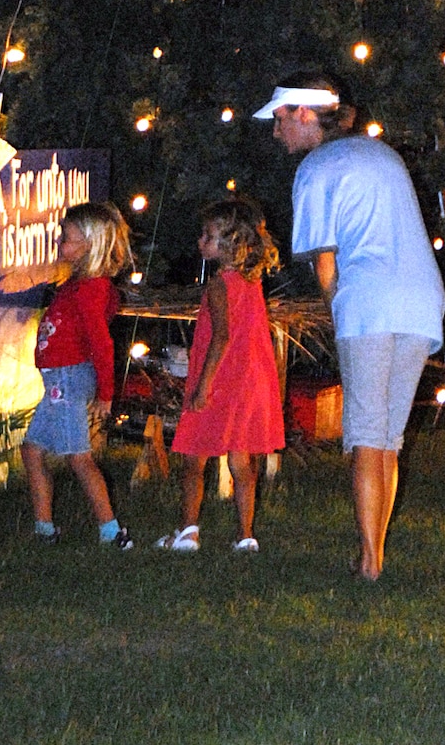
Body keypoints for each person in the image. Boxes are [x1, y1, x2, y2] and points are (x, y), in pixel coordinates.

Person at [259, 68, 445, 580]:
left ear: (303, 113)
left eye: (279, 120)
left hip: (368, 302)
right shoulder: (382, 153)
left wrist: (336, 306)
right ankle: (373, 553)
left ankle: (369, 562)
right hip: (422, 300)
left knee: (365, 434)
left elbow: (325, 263)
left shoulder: (317, 167)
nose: (277, 132)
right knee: (387, 437)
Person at [157, 195, 286, 555]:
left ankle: (187, 531)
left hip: (220, 381)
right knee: (242, 461)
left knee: (193, 457)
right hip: (249, 382)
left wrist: (202, 385)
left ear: (231, 243)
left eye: (208, 236)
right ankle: (245, 535)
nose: (201, 242)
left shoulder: (219, 285)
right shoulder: (253, 284)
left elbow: (222, 335)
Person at [21, 201, 133, 549]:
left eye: (67, 239)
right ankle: (44, 527)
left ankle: (111, 530)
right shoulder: (77, 284)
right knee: (32, 450)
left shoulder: (89, 288)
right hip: (58, 380)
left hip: (67, 379)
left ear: (90, 245)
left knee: (78, 457)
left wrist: (106, 392)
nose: (61, 244)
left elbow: (102, 341)